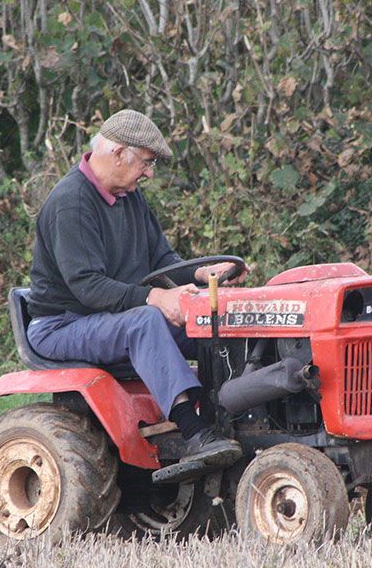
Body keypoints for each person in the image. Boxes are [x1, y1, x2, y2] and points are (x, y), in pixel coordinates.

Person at [26, 109, 248, 473]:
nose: (149, 173)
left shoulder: (130, 197)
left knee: (214, 321)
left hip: (109, 316)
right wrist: (156, 298)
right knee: (145, 321)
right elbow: (87, 287)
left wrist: (202, 272)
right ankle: (192, 432)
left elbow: (161, 258)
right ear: (117, 153)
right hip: (62, 324)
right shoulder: (71, 203)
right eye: (146, 162)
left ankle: (233, 415)